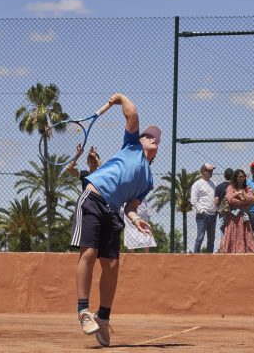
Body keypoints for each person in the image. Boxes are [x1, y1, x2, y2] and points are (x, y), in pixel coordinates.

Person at [71, 93, 159, 347]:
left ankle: (104, 318)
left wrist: (135, 219)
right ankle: (83, 311)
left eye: (156, 139)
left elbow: (131, 206)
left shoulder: (148, 181)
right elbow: (132, 114)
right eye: (148, 135)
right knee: (89, 253)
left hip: (113, 211)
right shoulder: (131, 144)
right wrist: (120, 98)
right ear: (140, 139)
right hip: (93, 199)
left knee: (111, 266)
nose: (152, 138)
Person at [219, 169, 254, 253]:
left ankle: (244, 251)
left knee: (244, 233)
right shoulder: (230, 187)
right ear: (235, 178)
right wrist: (241, 199)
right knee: (231, 232)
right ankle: (230, 250)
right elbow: (230, 199)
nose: (242, 178)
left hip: (243, 216)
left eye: (243, 177)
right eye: (240, 177)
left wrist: (242, 194)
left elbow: (251, 199)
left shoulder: (248, 188)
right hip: (232, 216)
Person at [190, 163, 217, 253]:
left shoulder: (214, 183)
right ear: (203, 171)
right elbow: (193, 200)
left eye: (212, 170)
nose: (211, 172)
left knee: (211, 238)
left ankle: (209, 259)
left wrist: (216, 209)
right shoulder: (197, 184)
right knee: (200, 237)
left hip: (213, 214)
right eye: (209, 170)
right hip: (203, 215)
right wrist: (201, 211)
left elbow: (215, 197)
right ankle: (196, 257)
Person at [214, 168, 234, 237]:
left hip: (222, 213)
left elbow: (216, 201)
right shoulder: (235, 186)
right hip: (234, 213)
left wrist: (217, 208)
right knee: (233, 233)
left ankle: (224, 246)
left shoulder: (219, 187)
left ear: (224, 176)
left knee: (223, 233)